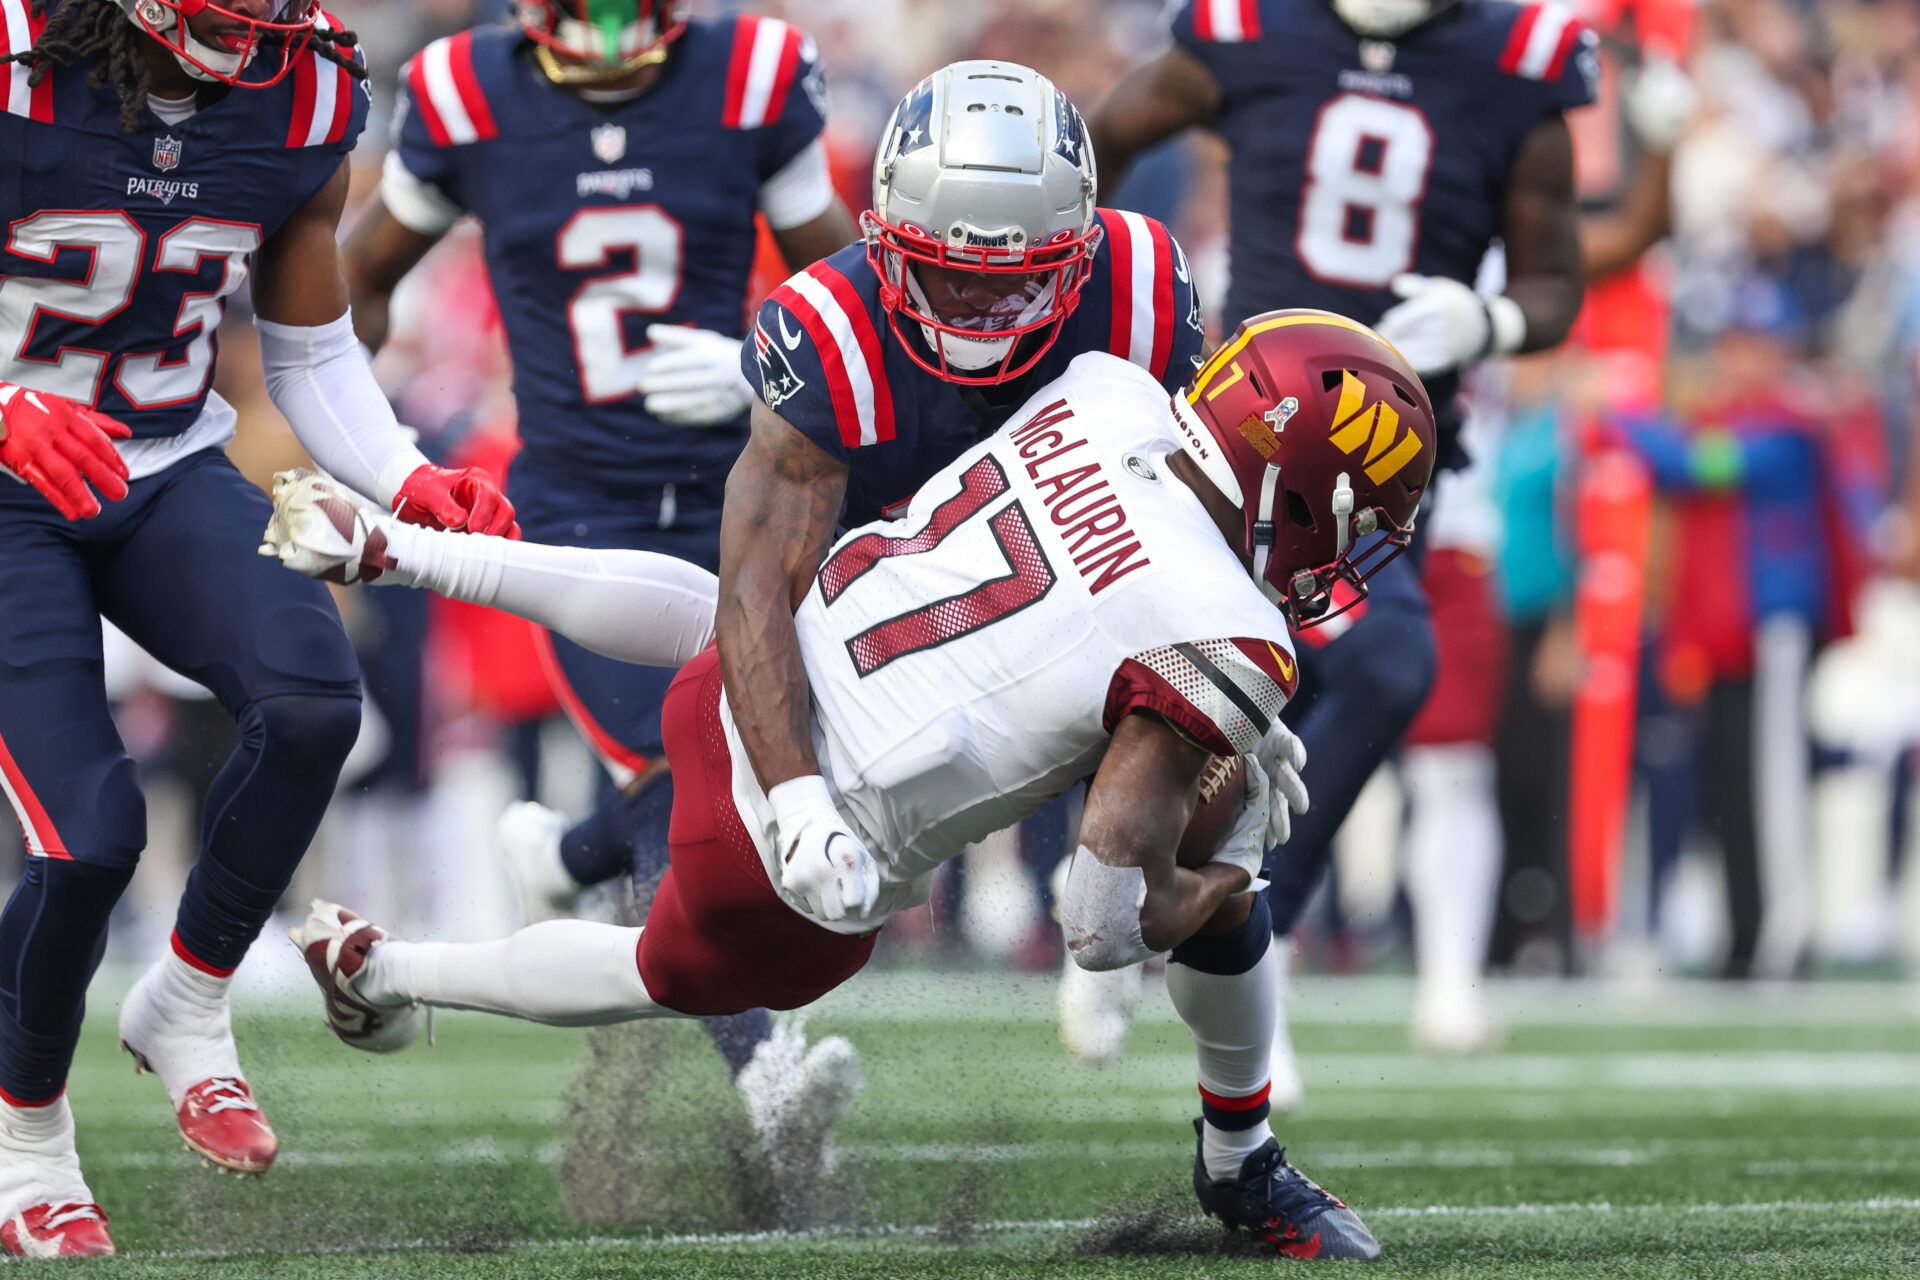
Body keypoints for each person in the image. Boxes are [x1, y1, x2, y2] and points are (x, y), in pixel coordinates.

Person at [270, 309, 1435, 1260]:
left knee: (716, 610)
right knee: (660, 969)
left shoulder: (1109, 389)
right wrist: (1228, 866)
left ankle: (409, 550)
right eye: (1360, 516)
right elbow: (1099, 918)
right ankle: (392, 968)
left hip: (755, 681)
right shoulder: (1228, 630)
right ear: (1296, 478)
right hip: (794, 862)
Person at [0, 0, 515, 1256]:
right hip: (6, 491)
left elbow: (311, 349)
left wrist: (403, 476)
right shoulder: (15, 63)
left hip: (165, 464)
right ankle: (25, 1139)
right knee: (89, 837)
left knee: (312, 698)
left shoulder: (304, 94)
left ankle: (186, 999)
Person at [341, 0, 863, 1167]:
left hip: (742, 483)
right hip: (581, 506)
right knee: (710, 765)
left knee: (775, 743)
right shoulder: (470, 92)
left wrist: (758, 366)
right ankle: (772, 1083)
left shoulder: (749, 74)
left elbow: (853, 289)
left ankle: (573, 855)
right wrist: (363, 448)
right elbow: (349, 293)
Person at [1083, 0, 1595, 1082]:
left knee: (1325, 682)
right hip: (1244, 436)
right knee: (1282, 674)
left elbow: (1558, 279)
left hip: (1396, 468)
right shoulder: (1250, 29)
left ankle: (1202, 926)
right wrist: (1115, 310)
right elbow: (1099, 145)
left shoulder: (1517, 63)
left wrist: (1490, 319)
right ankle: (1179, 918)